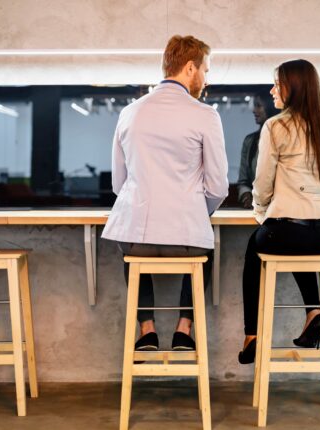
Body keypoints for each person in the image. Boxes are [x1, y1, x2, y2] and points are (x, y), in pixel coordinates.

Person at [102, 35, 229, 352]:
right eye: (206, 70)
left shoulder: (129, 113)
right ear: (190, 68)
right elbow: (217, 187)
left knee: (131, 249)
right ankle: (184, 329)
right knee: (206, 247)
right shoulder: (205, 115)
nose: (206, 77)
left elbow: (119, 185)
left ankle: (146, 329)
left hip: (138, 238)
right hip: (186, 242)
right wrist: (197, 213)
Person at [238, 59, 320, 364]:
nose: (272, 90)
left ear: (293, 88)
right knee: (294, 238)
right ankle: (314, 312)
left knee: (264, 241)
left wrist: (261, 213)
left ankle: (253, 335)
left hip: (289, 231)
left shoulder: (276, 126)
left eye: (277, 83)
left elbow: (262, 182)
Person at [236, 92, 277, 208]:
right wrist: (246, 195)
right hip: (257, 210)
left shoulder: (285, 139)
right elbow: (243, 182)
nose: (254, 110)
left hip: (281, 211)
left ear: (271, 107)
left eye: (258, 105)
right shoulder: (249, 141)